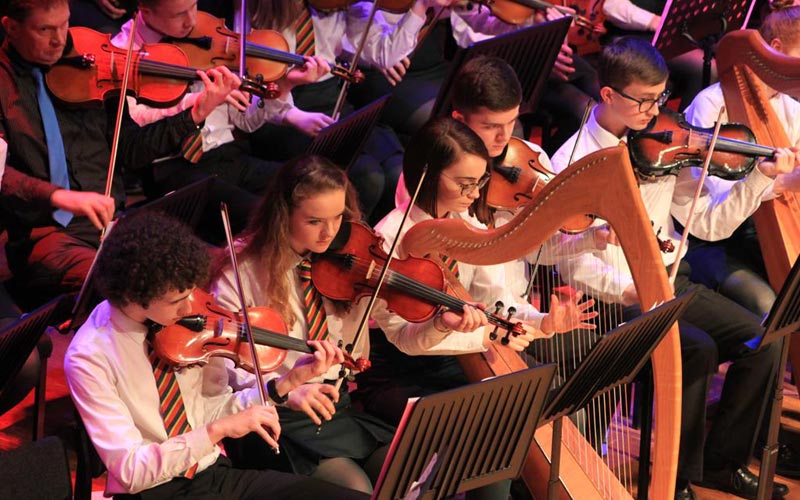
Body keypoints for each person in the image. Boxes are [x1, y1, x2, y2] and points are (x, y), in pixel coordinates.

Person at [550, 36, 795, 499]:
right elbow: (568, 261)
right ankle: (674, 480)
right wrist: (630, 289)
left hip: (669, 280)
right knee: (696, 350)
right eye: (643, 101)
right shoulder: (574, 161)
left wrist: (760, 178)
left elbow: (710, 223)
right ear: (607, 95)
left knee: (764, 341)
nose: (654, 111)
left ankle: (720, 466)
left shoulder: (665, 143)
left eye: (660, 98)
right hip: (614, 297)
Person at [356, 116, 597, 499]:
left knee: (561, 406)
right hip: (403, 374)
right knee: (499, 427)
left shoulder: (460, 225)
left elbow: (492, 304)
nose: (474, 194)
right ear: (427, 176)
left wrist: (544, 322)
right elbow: (405, 341)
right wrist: (483, 332)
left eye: (479, 182)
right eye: (465, 184)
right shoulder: (390, 241)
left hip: (459, 358)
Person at [64, 210, 368, 499]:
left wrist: (285, 384)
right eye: (176, 301)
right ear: (134, 296)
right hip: (156, 492)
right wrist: (215, 432)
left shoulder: (181, 329)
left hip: (213, 474)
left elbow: (208, 410)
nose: (189, 309)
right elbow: (130, 470)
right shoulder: (90, 356)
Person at [0, 0, 239, 308]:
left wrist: (195, 113)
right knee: (141, 288)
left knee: (208, 266)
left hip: (112, 223)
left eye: (64, 24)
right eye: (45, 30)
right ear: (11, 27)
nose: (60, 40)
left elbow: (129, 149)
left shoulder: (89, 62)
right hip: (46, 236)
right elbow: (1, 176)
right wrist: (60, 197)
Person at [210, 156, 400, 493]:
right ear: (284, 216)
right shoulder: (240, 272)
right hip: (272, 415)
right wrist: (285, 385)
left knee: (404, 467)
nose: (330, 232)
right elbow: (224, 370)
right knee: (354, 488)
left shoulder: (347, 261)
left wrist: (438, 318)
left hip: (332, 410)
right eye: (314, 221)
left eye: (339, 217)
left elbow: (398, 327)